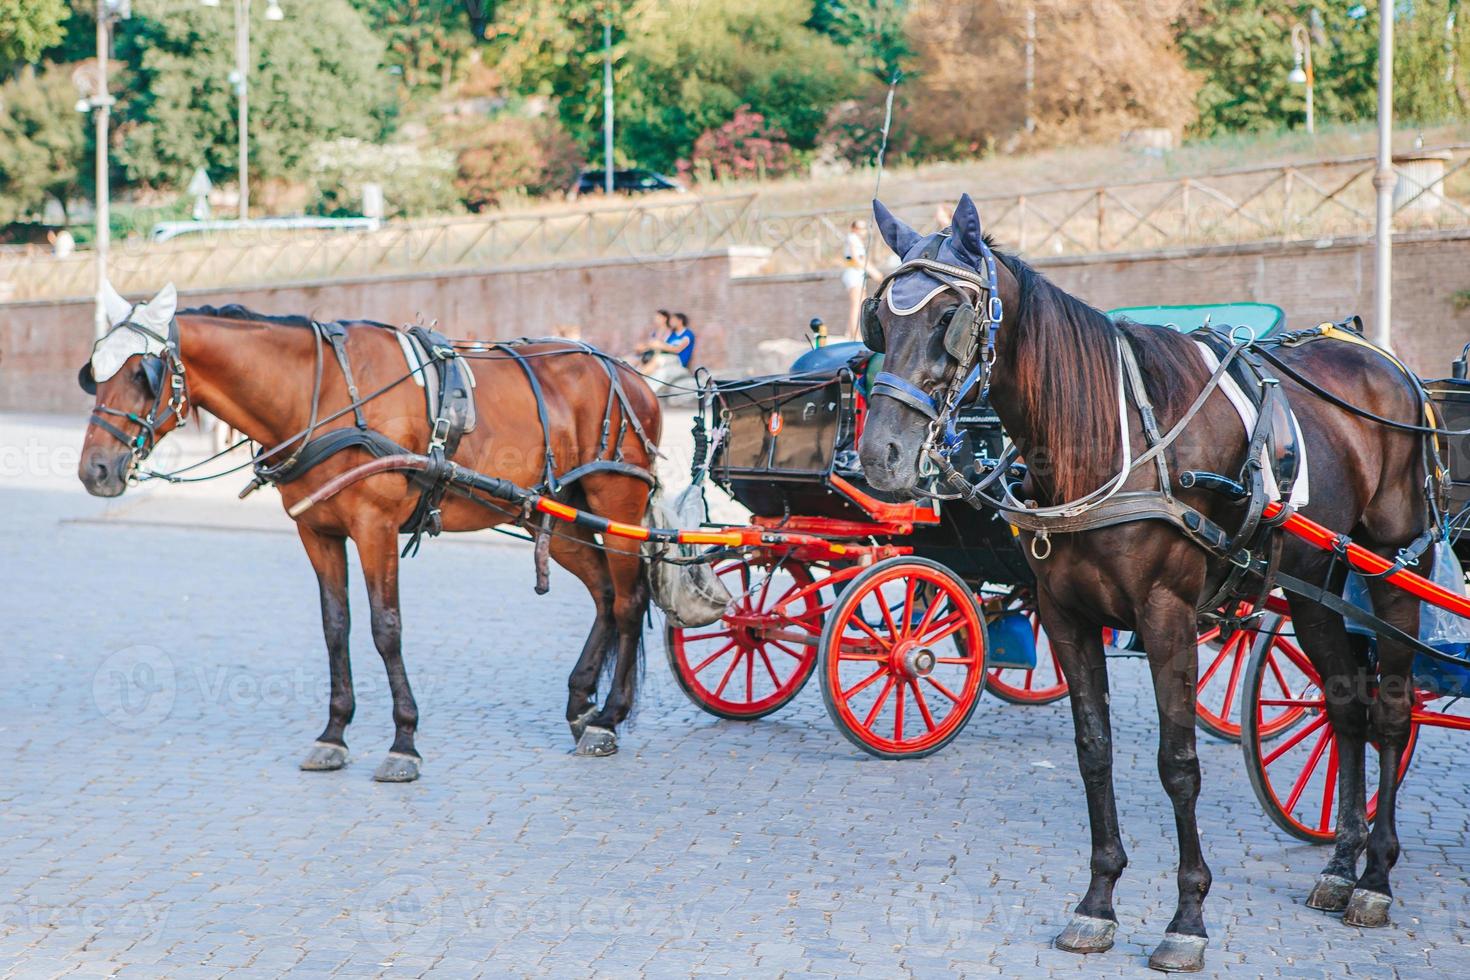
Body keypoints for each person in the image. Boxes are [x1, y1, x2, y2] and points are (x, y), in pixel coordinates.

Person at [842, 218, 878, 340]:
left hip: (859, 274)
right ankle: (854, 334)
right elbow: (857, 259)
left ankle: (851, 332)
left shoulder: (857, 240)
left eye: (864, 228)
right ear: (853, 229)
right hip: (853, 273)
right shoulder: (852, 238)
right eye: (859, 228)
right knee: (856, 304)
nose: (862, 231)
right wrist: (873, 272)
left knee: (860, 304)